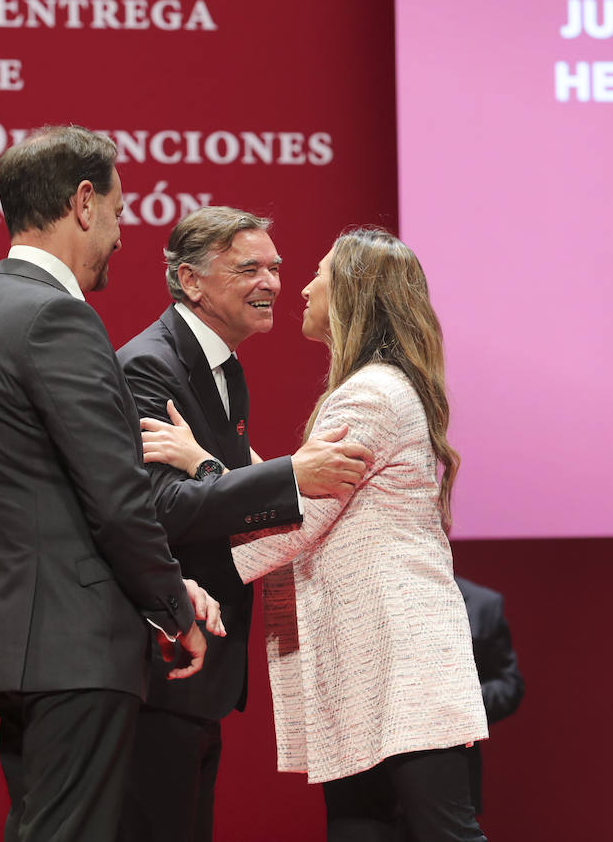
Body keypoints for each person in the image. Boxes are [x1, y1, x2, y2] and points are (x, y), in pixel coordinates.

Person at [143, 228, 488, 841]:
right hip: (375, 661)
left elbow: (294, 521)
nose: (298, 287)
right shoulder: (371, 388)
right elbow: (296, 494)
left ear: (353, 292)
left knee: (441, 834)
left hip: (396, 663)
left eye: (319, 273)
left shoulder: (370, 396)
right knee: (366, 829)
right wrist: (234, 465)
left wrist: (199, 466)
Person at [0, 125, 222, 842]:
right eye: (122, 212)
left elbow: (50, 493)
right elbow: (116, 497)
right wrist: (171, 607)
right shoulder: (56, 316)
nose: (124, 236)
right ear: (84, 202)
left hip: (20, 642)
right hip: (75, 647)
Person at [115, 206, 372, 842]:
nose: (273, 284)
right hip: (164, 653)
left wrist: (222, 467)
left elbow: (214, 489)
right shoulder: (150, 365)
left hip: (205, 664)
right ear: (190, 281)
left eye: (277, 268)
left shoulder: (224, 366)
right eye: (248, 269)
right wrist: (290, 476)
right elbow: (159, 509)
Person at [453, 575, 525, 815]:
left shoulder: (484, 604)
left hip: (455, 766)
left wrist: (465, 697)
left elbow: (509, 685)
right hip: (373, 777)